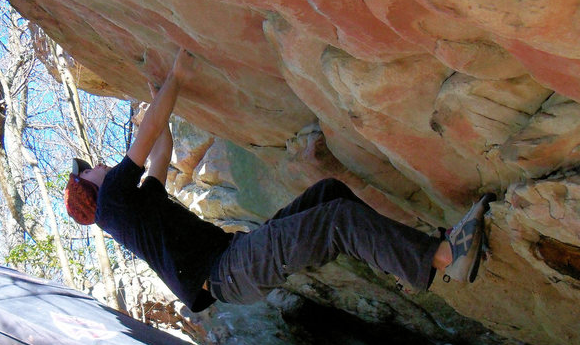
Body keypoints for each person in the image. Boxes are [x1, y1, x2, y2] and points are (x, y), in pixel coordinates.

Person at [64, 49, 495, 312]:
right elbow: (145, 139)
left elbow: (160, 150)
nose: (97, 165)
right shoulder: (112, 203)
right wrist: (175, 77)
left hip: (234, 259)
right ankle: (442, 257)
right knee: (336, 220)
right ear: (90, 186)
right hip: (230, 270)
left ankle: (403, 261)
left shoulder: (130, 208)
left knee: (329, 194)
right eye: (90, 169)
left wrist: (156, 92)